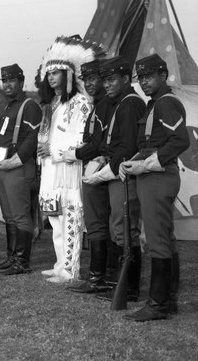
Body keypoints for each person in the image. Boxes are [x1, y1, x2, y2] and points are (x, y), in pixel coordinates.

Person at [119, 54, 189, 321]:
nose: (144, 82)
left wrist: (147, 164)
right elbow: (149, 143)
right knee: (164, 238)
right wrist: (133, 162)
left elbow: (179, 141)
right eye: (141, 77)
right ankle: (167, 299)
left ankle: (158, 304)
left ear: (164, 75)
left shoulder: (166, 103)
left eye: (149, 76)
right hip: (153, 174)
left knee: (157, 240)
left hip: (159, 177)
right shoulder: (155, 104)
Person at [36, 36, 105, 283]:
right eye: (49, 73)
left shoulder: (82, 103)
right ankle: (59, 264)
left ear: (68, 74)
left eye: (57, 72)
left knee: (70, 217)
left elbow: (82, 140)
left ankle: (70, 268)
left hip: (70, 170)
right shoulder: (53, 104)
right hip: (51, 171)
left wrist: (53, 151)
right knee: (55, 219)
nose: (52, 77)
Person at [82, 56, 146, 302]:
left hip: (123, 174)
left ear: (126, 79)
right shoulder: (119, 103)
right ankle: (118, 282)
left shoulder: (129, 104)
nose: (106, 85)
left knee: (124, 231)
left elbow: (128, 146)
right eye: (105, 80)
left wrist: (106, 170)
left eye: (111, 80)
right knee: (117, 229)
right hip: (115, 170)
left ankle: (128, 288)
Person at [64, 59, 118, 293]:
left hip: (99, 169)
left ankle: (101, 277)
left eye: (94, 78)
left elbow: (97, 143)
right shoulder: (99, 104)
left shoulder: (106, 105)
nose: (89, 83)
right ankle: (101, 274)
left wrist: (75, 153)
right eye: (85, 79)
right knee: (98, 223)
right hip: (94, 167)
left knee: (99, 223)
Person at [0, 63, 42, 275]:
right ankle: (11, 257)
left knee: (20, 215)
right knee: (9, 215)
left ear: (21, 81)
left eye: (12, 80)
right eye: (5, 81)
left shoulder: (29, 105)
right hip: (4, 167)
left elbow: (31, 138)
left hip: (19, 167)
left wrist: (17, 160)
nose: (8, 84)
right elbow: (3, 135)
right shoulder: (9, 107)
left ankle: (22, 261)